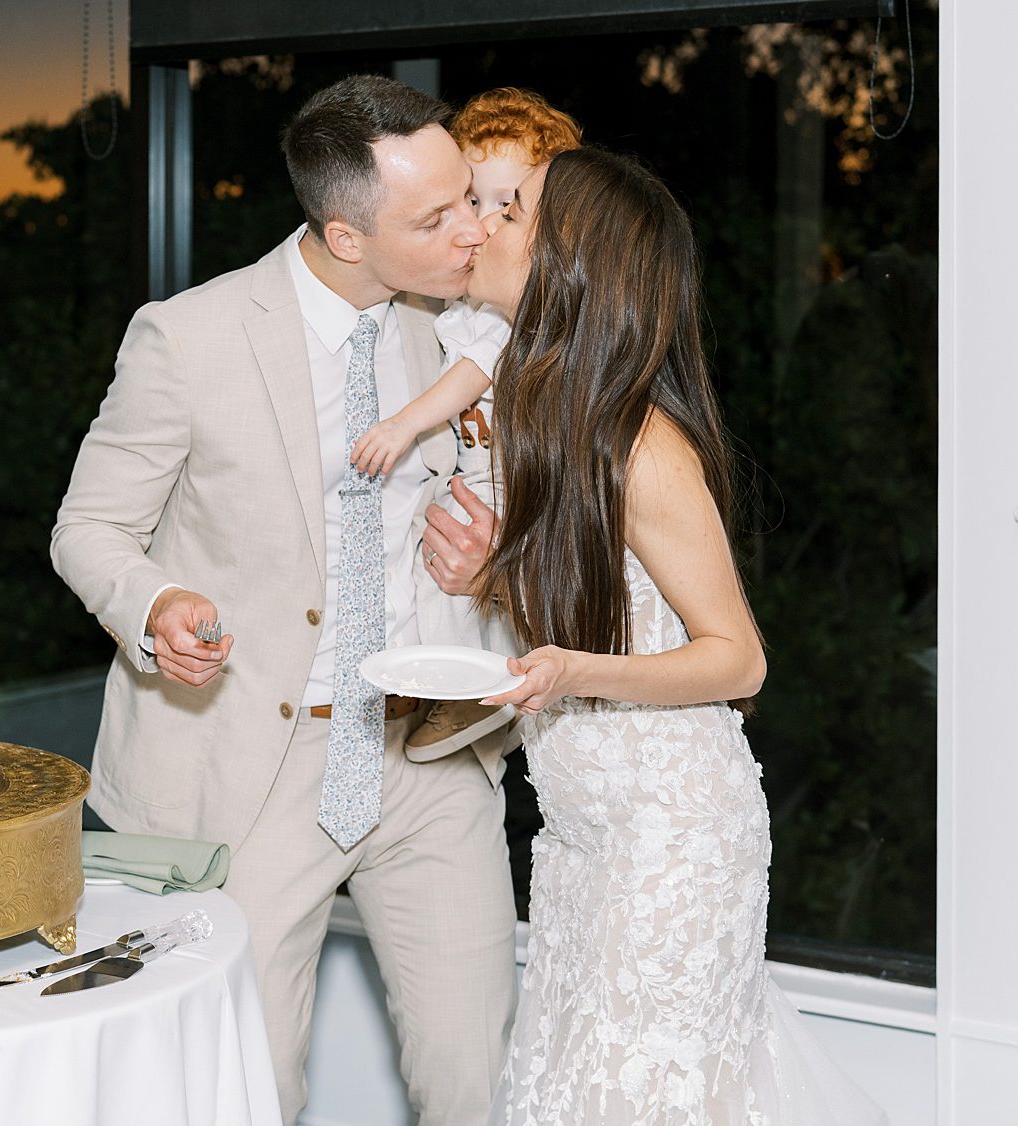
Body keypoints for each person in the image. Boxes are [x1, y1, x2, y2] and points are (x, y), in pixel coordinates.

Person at [51, 75, 517, 1126]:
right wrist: (158, 601)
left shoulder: (466, 334)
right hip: (252, 772)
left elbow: (514, 502)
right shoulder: (189, 338)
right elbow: (88, 530)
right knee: (245, 1087)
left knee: (474, 1081)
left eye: (470, 199)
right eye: (435, 216)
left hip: (432, 757)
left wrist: (492, 555)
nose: (471, 232)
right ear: (346, 235)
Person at [462, 146, 887, 1125]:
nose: (480, 222)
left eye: (510, 208)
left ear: (568, 259)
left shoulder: (641, 444)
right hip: (578, 843)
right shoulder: (542, 420)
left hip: (670, 846)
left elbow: (739, 658)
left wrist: (571, 669)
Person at [358, 88, 583, 761]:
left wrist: (403, 423)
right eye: (469, 202)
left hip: (515, 480)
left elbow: (477, 368)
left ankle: (472, 701)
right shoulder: (453, 300)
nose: (482, 224)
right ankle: (454, 692)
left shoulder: (511, 312)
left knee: (471, 571)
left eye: (505, 206)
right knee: (443, 563)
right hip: (473, 471)